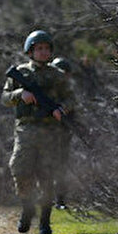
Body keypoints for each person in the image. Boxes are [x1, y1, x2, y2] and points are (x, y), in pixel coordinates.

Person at [1, 30, 75, 234]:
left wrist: (62, 110)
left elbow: (71, 99)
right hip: (26, 129)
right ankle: (27, 207)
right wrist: (20, 94)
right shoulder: (20, 72)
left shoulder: (58, 76)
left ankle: (45, 221)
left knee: (47, 176)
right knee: (20, 169)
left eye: (46, 49)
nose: (43, 52)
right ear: (30, 51)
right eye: (39, 49)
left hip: (51, 131)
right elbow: (5, 97)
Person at [50, 56, 74, 210]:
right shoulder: (48, 90)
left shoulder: (67, 93)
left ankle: (60, 200)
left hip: (62, 134)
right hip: (45, 133)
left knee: (61, 167)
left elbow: (72, 109)